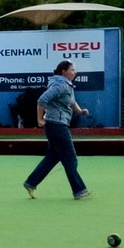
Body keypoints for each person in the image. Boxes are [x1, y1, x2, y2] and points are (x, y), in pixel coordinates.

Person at [23, 61, 92, 200]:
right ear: (63, 71)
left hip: (56, 125)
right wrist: (39, 119)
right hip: (57, 125)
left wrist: (80, 111)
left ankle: (31, 183)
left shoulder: (65, 84)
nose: (75, 72)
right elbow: (42, 100)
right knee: (70, 157)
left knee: (53, 156)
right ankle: (79, 190)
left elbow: (71, 102)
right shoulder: (60, 85)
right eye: (72, 70)